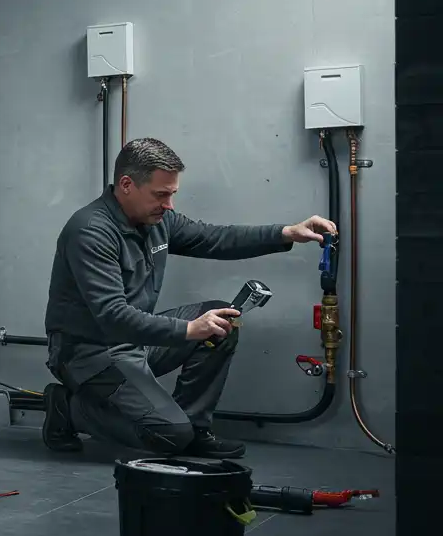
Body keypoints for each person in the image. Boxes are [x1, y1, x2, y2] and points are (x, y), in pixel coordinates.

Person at [41, 137, 337, 459]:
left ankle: (194, 429)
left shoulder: (157, 220)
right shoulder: (91, 231)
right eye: (161, 194)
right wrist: (189, 330)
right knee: (168, 435)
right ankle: (68, 408)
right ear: (126, 185)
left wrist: (286, 233)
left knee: (220, 321)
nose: (169, 204)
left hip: (133, 340)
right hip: (88, 354)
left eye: (172, 194)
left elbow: (214, 238)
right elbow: (113, 317)